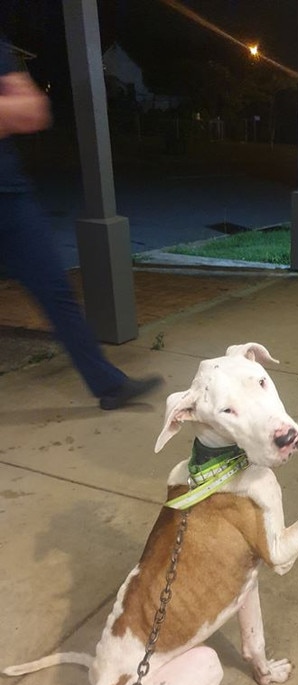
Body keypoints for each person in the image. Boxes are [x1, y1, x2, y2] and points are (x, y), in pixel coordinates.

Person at [0, 34, 161, 410]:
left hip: (11, 198)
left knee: (57, 292)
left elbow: (34, 111)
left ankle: (108, 385)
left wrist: (14, 108)